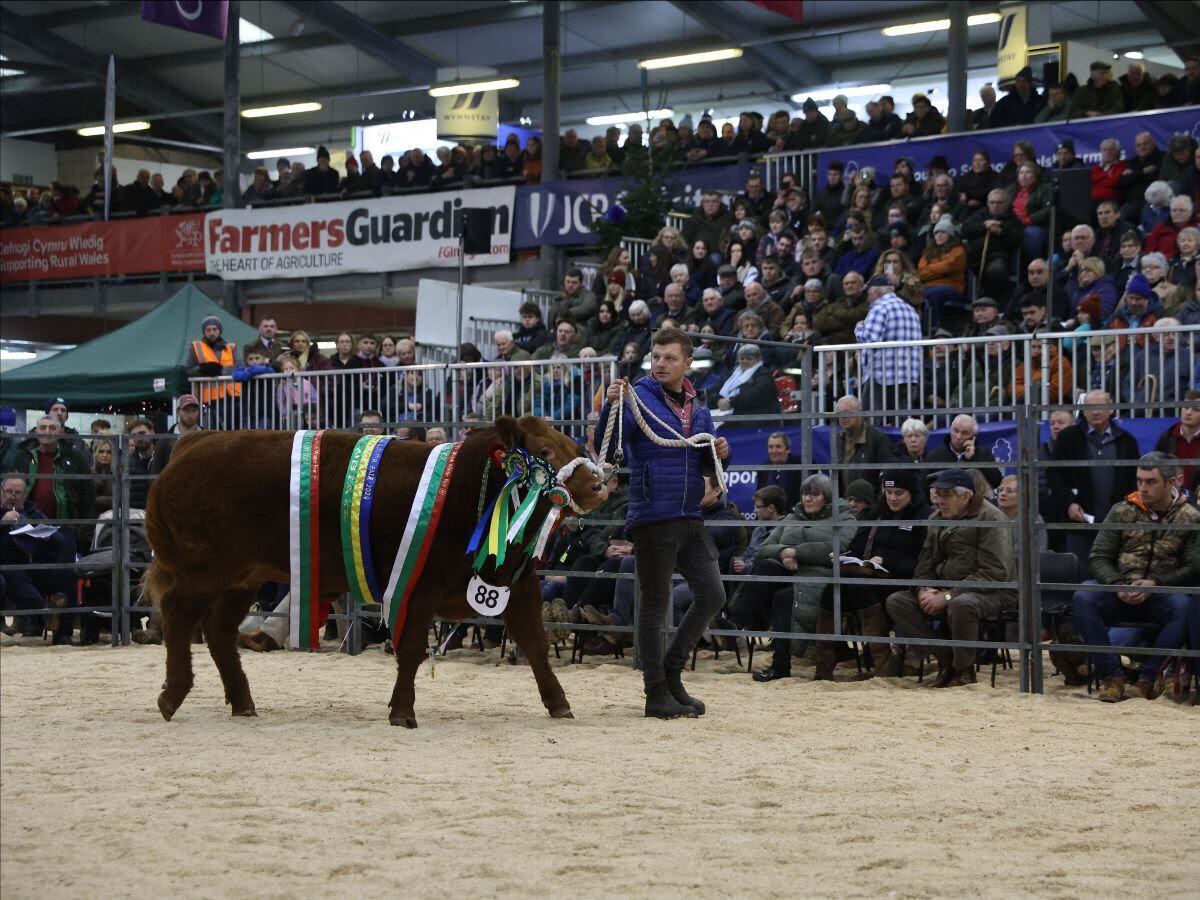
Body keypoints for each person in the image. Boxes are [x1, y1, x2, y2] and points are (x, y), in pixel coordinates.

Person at [594, 328, 730, 719]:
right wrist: (611, 407)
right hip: (653, 515)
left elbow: (711, 464)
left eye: (669, 358)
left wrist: (723, 449)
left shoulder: (698, 409)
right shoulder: (637, 398)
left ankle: (670, 674)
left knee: (713, 594)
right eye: (656, 357)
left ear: (687, 363)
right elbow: (607, 443)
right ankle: (655, 691)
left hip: (689, 514)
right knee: (654, 606)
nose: (660, 364)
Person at [1072, 453, 1199, 702]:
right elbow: (1098, 556)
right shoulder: (1121, 510)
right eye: (1140, 480)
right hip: (1120, 587)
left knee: (1184, 606)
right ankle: (1113, 677)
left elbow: (1195, 565)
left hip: (1162, 592)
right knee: (1083, 595)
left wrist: (1157, 583)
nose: (1143, 488)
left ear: (1172, 482)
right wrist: (1117, 583)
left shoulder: (1191, 517)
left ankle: (1147, 679)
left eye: (1151, 481)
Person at [886, 468, 1016, 688]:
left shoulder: (991, 518)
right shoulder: (936, 518)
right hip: (945, 588)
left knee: (961, 604)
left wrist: (947, 595)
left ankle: (964, 669)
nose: (939, 501)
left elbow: (994, 572)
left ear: (966, 496)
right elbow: (924, 564)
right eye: (937, 494)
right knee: (897, 601)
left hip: (993, 591)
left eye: (946, 495)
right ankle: (944, 656)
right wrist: (923, 590)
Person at [814, 467, 930, 679]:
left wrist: (886, 562)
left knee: (852, 584)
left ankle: (878, 661)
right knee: (835, 586)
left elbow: (923, 560)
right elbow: (857, 546)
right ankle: (827, 663)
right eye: (888, 493)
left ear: (912, 493)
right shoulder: (875, 513)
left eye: (899, 493)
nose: (892, 498)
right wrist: (844, 556)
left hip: (899, 582)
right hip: (866, 578)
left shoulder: (924, 517)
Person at [740, 474, 853, 682]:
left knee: (783, 598)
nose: (808, 499)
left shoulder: (844, 518)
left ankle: (777, 662)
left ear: (827, 497)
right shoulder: (793, 517)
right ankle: (739, 620)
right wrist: (784, 552)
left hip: (820, 578)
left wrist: (797, 553)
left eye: (815, 494)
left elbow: (837, 548)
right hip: (789, 571)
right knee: (764, 567)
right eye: (805, 494)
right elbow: (764, 549)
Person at [1047, 391, 1140, 565]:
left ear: (1111, 410)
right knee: (1080, 574)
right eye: (1089, 407)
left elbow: (1133, 481)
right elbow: (1054, 473)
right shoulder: (1068, 437)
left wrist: (1126, 511)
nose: (1095, 412)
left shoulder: (1127, 441)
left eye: (1100, 406)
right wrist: (1069, 503)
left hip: (1116, 523)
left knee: (1113, 571)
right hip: (1078, 521)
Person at [1, 474, 78, 642]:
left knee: (67, 575)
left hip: (38, 565)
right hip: (10, 566)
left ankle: (63, 634)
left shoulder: (32, 511)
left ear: (25, 495)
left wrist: (46, 535)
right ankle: (47, 614)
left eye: (18, 492)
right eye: (8, 491)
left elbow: (60, 541)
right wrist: (3, 522)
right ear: (1, 493)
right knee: (16, 578)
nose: (12, 496)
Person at [853, 274, 922, 417]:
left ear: (876, 292)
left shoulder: (879, 308)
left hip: (882, 377)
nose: (867, 298)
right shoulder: (911, 310)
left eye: (867, 293)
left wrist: (859, 327)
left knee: (872, 425)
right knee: (904, 427)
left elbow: (869, 339)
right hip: (909, 376)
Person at [833, 395, 894, 492]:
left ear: (859, 414)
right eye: (839, 413)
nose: (843, 417)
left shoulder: (877, 437)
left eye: (847, 412)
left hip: (869, 502)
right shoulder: (838, 438)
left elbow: (888, 472)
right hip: (843, 502)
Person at [925, 414, 1002, 488]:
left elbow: (996, 482)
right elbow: (926, 484)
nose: (958, 437)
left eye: (964, 433)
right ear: (950, 431)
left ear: (973, 436)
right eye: (956, 431)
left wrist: (974, 457)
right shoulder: (935, 455)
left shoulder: (983, 453)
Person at [149, 394, 202, 475]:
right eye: (186, 410)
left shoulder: (207, 437)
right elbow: (155, 473)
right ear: (177, 411)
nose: (190, 414)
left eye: (194, 410)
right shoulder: (164, 442)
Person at [756, 432, 804, 508]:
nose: (774, 451)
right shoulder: (763, 469)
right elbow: (759, 497)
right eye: (770, 447)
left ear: (787, 449)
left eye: (778, 447)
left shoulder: (801, 465)